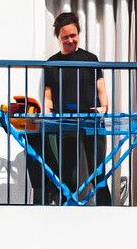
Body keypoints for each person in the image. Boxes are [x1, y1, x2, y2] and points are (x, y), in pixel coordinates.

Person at [44, 12, 112, 206]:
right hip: (65, 122)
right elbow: (48, 95)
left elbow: (101, 89)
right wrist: (48, 114)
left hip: (92, 120)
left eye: (74, 35)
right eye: (66, 37)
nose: (70, 40)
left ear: (79, 34)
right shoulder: (52, 63)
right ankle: (69, 212)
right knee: (68, 173)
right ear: (59, 37)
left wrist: (104, 108)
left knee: (97, 171)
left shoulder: (90, 59)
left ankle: (105, 211)